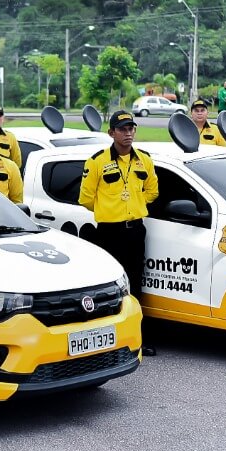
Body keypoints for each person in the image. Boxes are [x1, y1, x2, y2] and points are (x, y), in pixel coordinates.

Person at [79, 110, 158, 306]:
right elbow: (86, 198)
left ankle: (134, 323)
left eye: (131, 128)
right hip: (109, 232)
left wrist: (135, 203)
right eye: (122, 129)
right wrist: (108, 208)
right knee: (109, 280)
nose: (128, 133)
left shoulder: (145, 159)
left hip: (136, 231)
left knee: (134, 279)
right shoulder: (97, 161)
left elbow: (152, 191)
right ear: (111, 133)